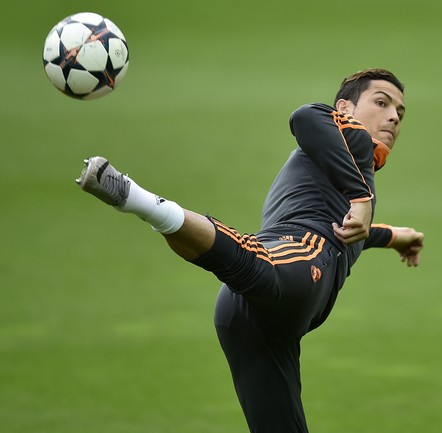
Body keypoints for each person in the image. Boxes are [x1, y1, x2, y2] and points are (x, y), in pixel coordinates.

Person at [76, 68, 424, 433]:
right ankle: (137, 198)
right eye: (382, 103)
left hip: (261, 322)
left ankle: (148, 206)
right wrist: (362, 197)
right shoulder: (351, 138)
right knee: (256, 261)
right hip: (295, 262)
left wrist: (394, 236)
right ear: (345, 109)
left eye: (400, 113)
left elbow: (350, 233)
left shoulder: (355, 165)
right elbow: (306, 116)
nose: (392, 117)